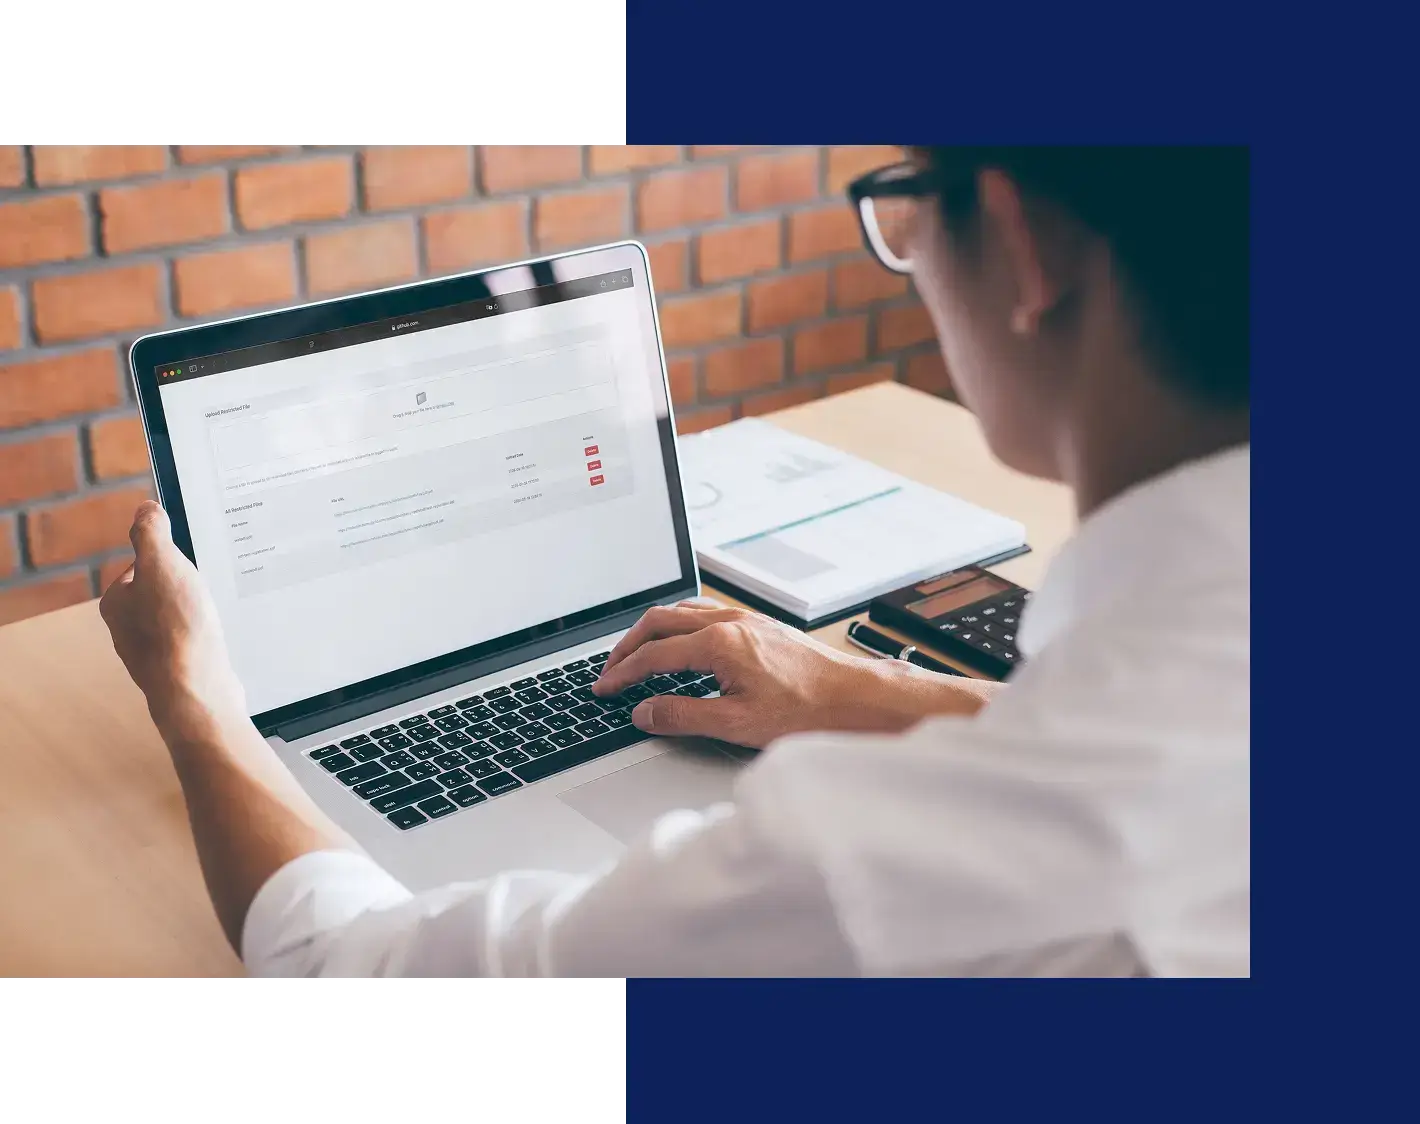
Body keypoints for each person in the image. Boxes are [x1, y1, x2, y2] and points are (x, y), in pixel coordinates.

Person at [101, 146, 1249, 980]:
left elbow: (353, 961)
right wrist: (882, 694)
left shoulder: (889, 862)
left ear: (1023, 244)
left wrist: (199, 703)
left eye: (901, 203)